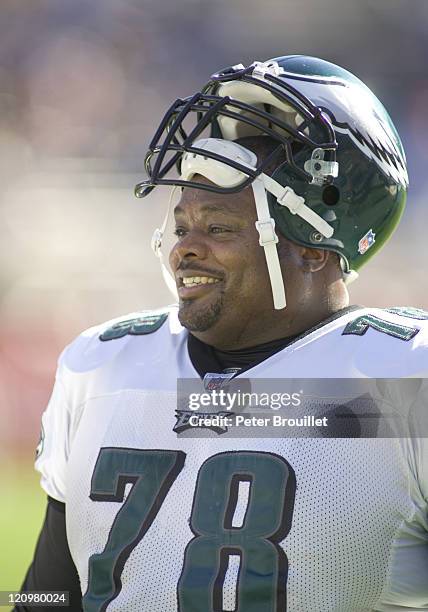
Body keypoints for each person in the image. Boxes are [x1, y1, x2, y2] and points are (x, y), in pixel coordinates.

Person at [17, 56, 428, 611]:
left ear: (311, 246)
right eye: (181, 225)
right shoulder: (102, 365)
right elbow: (49, 595)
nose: (184, 247)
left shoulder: (405, 380)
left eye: (219, 227)